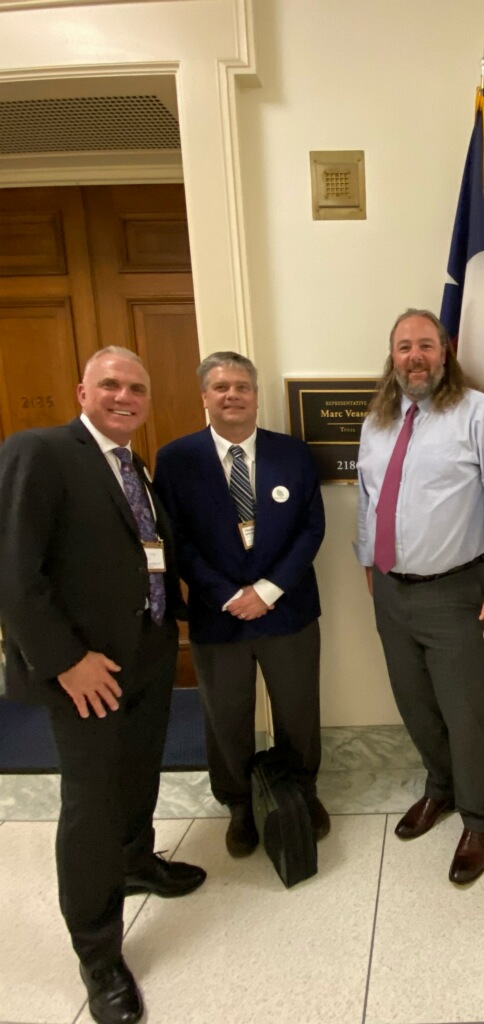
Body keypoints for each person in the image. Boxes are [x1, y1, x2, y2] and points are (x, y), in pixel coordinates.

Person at [0, 347, 206, 1024]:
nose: (125, 396)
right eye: (111, 384)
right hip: (84, 671)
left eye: (137, 388)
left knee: (139, 770)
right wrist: (64, 660)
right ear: (81, 390)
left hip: (144, 653)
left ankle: (138, 859)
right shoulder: (38, 451)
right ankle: (98, 953)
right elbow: (14, 572)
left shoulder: (132, 466)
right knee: (90, 803)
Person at [356, 308, 484, 885]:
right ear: (392, 355)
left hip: (456, 590)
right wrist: (368, 562)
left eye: (426, 345)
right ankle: (442, 788)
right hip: (390, 590)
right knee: (414, 704)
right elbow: (369, 498)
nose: (415, 356)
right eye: (404, 346)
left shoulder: (477, 413)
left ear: (446, 350)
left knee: (465, 713)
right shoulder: (379, 420)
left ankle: (480, 819)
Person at [154, 352, 328, 856]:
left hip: (288, 610)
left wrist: (268, 590)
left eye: (242, 386)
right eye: (220, 386)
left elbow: (311, 527)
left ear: (256, 395)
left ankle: (302, 792)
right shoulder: (176, 459)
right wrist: (229, 595)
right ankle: (237, 806)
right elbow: (175, 539)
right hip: (218, 614)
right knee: (226, 716)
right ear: (204, 396)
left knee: (298, 711)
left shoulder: (292, 453)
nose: (232, 395)